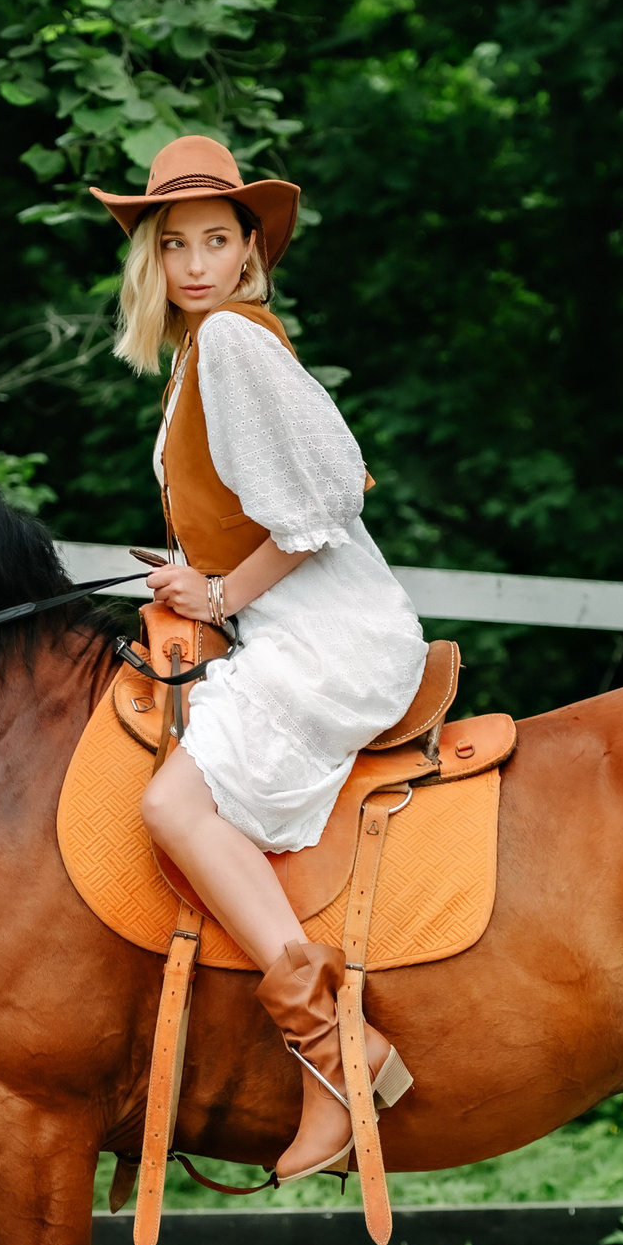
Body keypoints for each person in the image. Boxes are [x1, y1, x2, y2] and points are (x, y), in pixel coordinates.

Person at [92, 136, 430, 1185]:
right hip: (286, 624)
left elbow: (321, 512)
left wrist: (221, 594)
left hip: (328, 632)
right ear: (153, 260)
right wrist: (199, 576)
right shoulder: (203, 351)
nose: (195, 262)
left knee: (172, 809)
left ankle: (338, 1053)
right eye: (174, 243)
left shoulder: (234, 343)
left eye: (216, 241)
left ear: (249, 252)